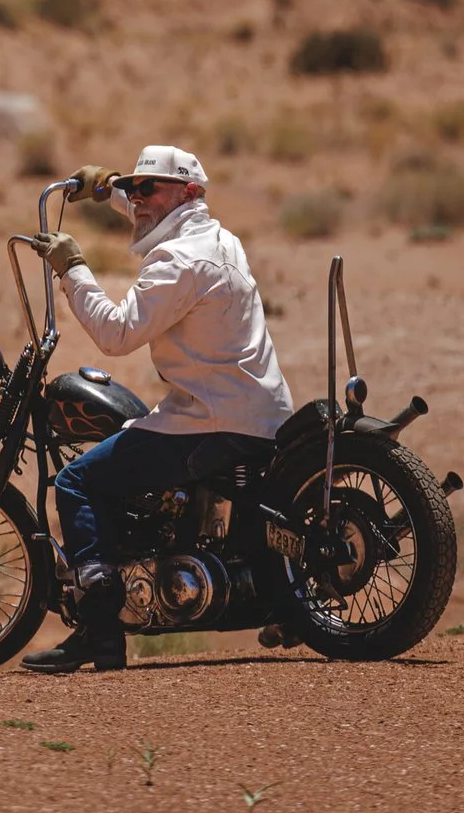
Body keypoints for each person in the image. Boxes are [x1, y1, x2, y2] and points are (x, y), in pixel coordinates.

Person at [19, 144, 292, 674]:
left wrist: (74, 269)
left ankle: (98, 632)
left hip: (210, 418)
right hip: (259, 412)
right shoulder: (219, 239)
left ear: (189, 192)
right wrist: (108, 188)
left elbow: (117, 334)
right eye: (134, 187)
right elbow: (148, 209)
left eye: (149, 187)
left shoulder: (177, 261)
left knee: (78, 481)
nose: (138, 198)